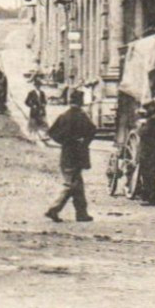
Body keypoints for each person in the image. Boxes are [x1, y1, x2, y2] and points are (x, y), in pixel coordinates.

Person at [45, 89, 96, 222]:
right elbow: (92, 131)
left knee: (77, 184)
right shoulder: (82, 116)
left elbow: (51, 133)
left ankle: (81, 214)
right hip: (78, 154)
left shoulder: (64, 116)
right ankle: (53, 209)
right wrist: (83, 142)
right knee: (71, 184)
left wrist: (64, 141)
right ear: (80, 101)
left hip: (66, 152)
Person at [134, 101, 155, 206]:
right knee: (149, 174)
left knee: (148, 174)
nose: (147, 111)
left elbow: (143, 132)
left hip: (151, 151)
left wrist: (140, 128)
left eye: (148, 108)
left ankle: (152, 198)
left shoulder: (154, 119)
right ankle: (149, 197)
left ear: (153, 107)